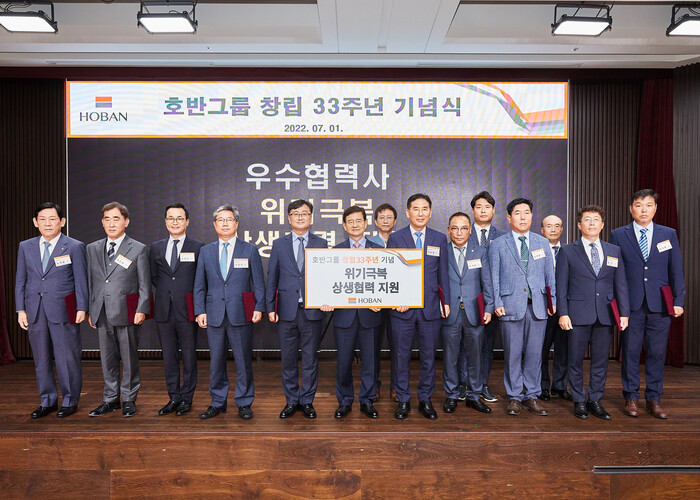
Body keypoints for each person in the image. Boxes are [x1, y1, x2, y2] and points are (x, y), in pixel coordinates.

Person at [610, 189, 685, 419]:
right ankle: (631, 397)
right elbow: (614, 272)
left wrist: (679, 300)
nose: (644, 210)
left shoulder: (668, 234)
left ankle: (654, 398)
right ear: (631, 208)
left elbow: (676, 269)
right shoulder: (618, 234)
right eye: (639, 205)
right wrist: (618, 304)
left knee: (656, 353)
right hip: (630, 305)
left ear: (655, 208)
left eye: (649, 205)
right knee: (630, 352)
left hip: (660, 304)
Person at [15, 202, 88, 419]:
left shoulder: (74, 246)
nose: (47, 223)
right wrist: (20, 309)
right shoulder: (25, 246)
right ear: (35, 222)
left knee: (67, 358)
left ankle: (70, 400)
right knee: (41, 359)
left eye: (52, 219)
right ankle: (47, 400)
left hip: (63, 310)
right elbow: (21, 280)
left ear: (62, 222)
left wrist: (82, 307)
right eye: (42, 219)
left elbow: (81, 280)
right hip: (34, 310)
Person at [556, 205, 630, 420]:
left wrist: (624, 313)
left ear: (602, 225)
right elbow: (561, 286)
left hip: (605, 314)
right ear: (579, 225)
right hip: (576, 314)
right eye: (587, 219)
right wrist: (563, 313)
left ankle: (595, 400)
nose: (591, 223)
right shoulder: (568, 251)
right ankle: (579, 400)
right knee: (575, 360)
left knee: (600, 361)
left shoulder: (614, 250)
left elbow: (620, 284)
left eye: (596, 219)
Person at [194, 204, 265, 420]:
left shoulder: (249, 249)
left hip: (241, 313)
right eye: (221, 220)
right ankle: (217, 401)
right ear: (214, 224)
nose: (225, 224)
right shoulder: (206, 251)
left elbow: (258, 282)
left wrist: (259, 306)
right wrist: (199, 310)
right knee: (216, 361)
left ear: (237, 223)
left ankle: (244, 401)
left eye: (229, 220)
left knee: (243, 361)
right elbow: (199, 284)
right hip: (213, 313)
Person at [489, 197, 556, 416]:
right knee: (513, 354)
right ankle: (514, 396)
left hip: (538, 306)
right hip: (510, 305)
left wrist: (552, 301)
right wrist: (497, 302)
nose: (523, 217)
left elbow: (550, 276)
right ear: (509, 218)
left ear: (532, 216)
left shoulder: (542, 242)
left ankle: (532, 395)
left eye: (526, 212)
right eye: (517, 213)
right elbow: (493, 277)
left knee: (535, 354)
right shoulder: (498, 244)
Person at [387, 193, 450, 420]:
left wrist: (446, 302)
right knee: (401, 356)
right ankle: (403, 399)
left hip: (430, 308)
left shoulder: (439, 238)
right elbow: (391, 273)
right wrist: (396, 300)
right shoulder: (396, 238)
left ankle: (425, 399)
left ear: (430, 213)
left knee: (428, 356)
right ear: (407, 212)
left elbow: (443, 273)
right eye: (416, 209)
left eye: (425, 209)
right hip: (402, 308)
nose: (420, 213)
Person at [86, 201, 151, 418]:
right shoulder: (92, 248)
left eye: (116, 219)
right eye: (107, 219)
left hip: (127, 311)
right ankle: (110, 399)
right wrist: (91, 309)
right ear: (102, 222)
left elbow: (144, 284)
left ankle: (129, 399)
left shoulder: (138, 248)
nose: (112, 223)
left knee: (129, 358)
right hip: (101, 310)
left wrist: (142, 309)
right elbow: (91, 281)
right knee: (107, 358)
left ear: (126, 221)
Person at [267, 199, 328, 419]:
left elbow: (327, 277)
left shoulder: (321, 244)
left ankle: (308, 401)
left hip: (312, 310)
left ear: (311, 217)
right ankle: (292, 400)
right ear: (289, 218)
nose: (300, 217)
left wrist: (327, 299)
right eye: (295, 213)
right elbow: (272, 277)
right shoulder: (279, 244)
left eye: (304, 213)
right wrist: (270, 307)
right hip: (286, 311)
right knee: (288, 359)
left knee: (311, 359)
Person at [321, 206, 382, 419]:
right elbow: (328, 283)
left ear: (366, 223)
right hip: (344, 315)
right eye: (350, 222)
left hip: (370, 315)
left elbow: (385, 281)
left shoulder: (379, 251)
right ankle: (345, 401)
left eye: (359, 221)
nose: (355, 225)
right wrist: (325, 300)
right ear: (344, 226)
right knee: (344, 362)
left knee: (370, 361)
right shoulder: (335, 252)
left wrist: (381, 301)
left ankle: (367, 400)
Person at [149, 203, 204, 416]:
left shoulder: (198, 247)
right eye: (171, 218)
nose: (175, 222)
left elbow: (200, 279)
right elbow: (155, 277)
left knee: (189, 356)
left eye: (179, 218)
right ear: (165, 222)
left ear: (187, 222)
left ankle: (186, 398)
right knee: (169, 356)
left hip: (187, 309)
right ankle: (173, 397)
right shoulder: (156, 247)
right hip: (164, 309)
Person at [441, 212, 493, 415]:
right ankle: (451, 395)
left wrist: (489, 307)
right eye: (454, 228)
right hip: (450, 313)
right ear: (448, 230)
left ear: (470, 230)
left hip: (474, 312)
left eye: (463, 228)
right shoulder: (442, 252)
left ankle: (474, 396)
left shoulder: (480, 251)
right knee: (450, 358)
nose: (459, 232)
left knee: (475, 357)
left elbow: (487, 282)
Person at [468, 191, 505, 403]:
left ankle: (483, 384)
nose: (483, 210)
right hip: (468, 297)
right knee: (466, 344)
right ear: (472, 211)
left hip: (492, 298)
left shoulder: (503, 236)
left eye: (487, 207)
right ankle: (465, 384)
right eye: (479, 207)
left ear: (493, 210)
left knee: (486, 345)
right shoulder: (463, 232)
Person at [539, 214, 572, 402]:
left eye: (557, 226)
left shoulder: (569, 251)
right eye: (549, 226)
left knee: (563, 350)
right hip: (542, 308)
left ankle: (559, 387)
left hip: (565, 309)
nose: (553, 229)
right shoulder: (536, 251)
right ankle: (542, 386)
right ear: (542, 230)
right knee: (541, 350)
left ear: (562, 229)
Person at [368, 203, 398, 401]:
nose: (386, 221)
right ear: (375, 221)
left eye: (389, 217)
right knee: (373, 347)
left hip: (398, 302)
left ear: (395, 221)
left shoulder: (402, 241)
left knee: (398, 347)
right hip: (375, 304)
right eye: (382, 217)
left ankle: (396, 386)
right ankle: (374, 385)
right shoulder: (368, 243)